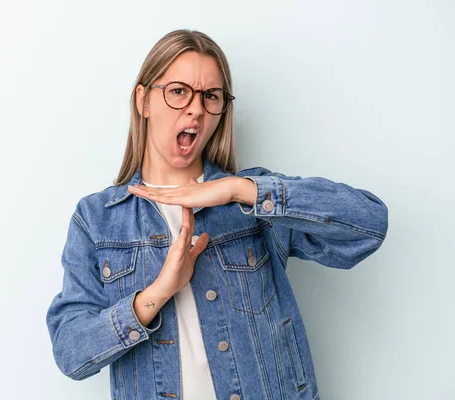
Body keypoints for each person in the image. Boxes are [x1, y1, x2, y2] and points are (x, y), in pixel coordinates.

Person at [46, 29, 388, 400]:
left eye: (211, 96)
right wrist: (159, 291)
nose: (196, 108)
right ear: (144, 100)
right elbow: (71, 353)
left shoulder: (252, 201)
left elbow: (368, 226)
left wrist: (237, 189)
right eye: (178, 91)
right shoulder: (97, 219)